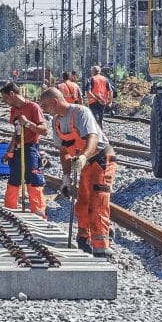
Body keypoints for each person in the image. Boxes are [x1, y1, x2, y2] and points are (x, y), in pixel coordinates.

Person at [39, 86, 116, 258]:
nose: (44, 109)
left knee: (98, 202)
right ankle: (83, 239)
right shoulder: (56, 122)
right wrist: (66, 178)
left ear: (55, 102)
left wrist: (83, 157)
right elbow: (63, 151)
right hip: (84, 162)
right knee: (82, 202)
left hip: (100, 159)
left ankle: (101, 247)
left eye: (45, 105)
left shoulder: (81, 112)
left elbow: (92, 138)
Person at [0, 82, 48, 218]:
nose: (5, 101)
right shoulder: (14, 110)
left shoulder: (33, 107)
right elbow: (16, 133)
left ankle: (38, 213)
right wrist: (9, 151)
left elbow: (44, 131)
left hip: (31, 148)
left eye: (6, 98)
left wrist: (27, 123)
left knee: (33, 180)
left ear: (12, 94)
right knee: (13, 180)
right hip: (18, 149)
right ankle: (10, 210)